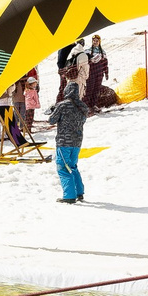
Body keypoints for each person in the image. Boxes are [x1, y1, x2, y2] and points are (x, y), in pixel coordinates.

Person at [48, 67, 88, 204]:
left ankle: (69, 196)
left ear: (66, 91)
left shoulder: (62, 105)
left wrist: (54, 110)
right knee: (72, 165)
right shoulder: (83, 107)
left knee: (63, 167)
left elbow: (51, 120)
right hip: (77, 142)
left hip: (64, 142)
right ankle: (79, 192)